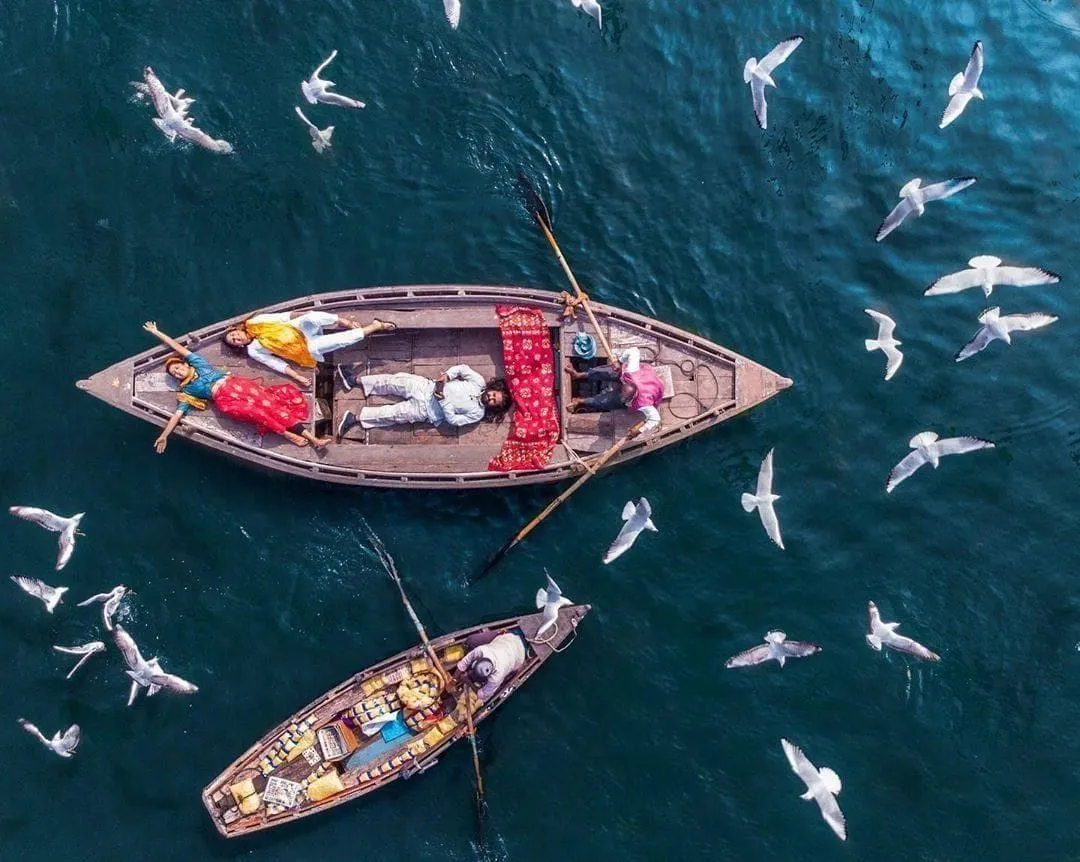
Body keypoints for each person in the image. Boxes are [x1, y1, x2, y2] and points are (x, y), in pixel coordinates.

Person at [142, 321, 332, 453]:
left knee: (273, 406)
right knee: (257, 413)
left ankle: (314, 440)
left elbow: (178, 347)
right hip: (225, 400)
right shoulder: (187, 390)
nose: (177, 372)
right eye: (174, 374)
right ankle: (287, 435)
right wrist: (164, 435)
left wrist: (157, 332)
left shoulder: (199, 363)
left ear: (185, 364)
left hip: (237, 386)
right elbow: (178, 414)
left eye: (177, 368)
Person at [334, 364, 511, 439]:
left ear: (493, 407)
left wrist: (443, 402)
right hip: (426, 387)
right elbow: (462, 369)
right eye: (494, 394)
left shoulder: (477, 414)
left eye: (495, 401)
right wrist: (448, 375)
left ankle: (354, 419)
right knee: (393, 381)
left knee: (393, 414)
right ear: (493, 388)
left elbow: (455, 421)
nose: (492, 398)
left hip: (426, 411)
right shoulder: (478, 381)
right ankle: (354, 380)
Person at [222, 312, 396, 387]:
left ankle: (345, 322)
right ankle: (375, 325)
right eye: (235, 341)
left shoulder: (255, 322)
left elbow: (286, 316)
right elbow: (276, 364)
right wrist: (298, 377)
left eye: (235, 335)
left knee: (312, 318)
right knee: (343, 340)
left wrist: (305, 315)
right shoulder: (253, 350)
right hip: (306, 349)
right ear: (240, 346)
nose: (237, 338)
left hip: (297, 329)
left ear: (238, 329)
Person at [566, 347, 663, 436]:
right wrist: (620, 361)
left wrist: (640, 430)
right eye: (621, 391)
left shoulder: (644, 404)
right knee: (610, 371)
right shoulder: (631, 371)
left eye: (624, 397)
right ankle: (578, 375)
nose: (619, 393)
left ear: (632, 399)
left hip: (652, 388)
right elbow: (634, 351)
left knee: (610, 400)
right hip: (641, 376)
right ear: (626, 382)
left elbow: (655, 419)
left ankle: (580, 401)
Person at [454, 631, 526, 703]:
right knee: (471, 640)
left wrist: (468, 682)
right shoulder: (481, 650)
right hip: (508, 639)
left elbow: (483, 695)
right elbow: (463, 663)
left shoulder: (496, 677)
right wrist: (454, 679)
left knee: (505, 680)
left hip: (519, 654)